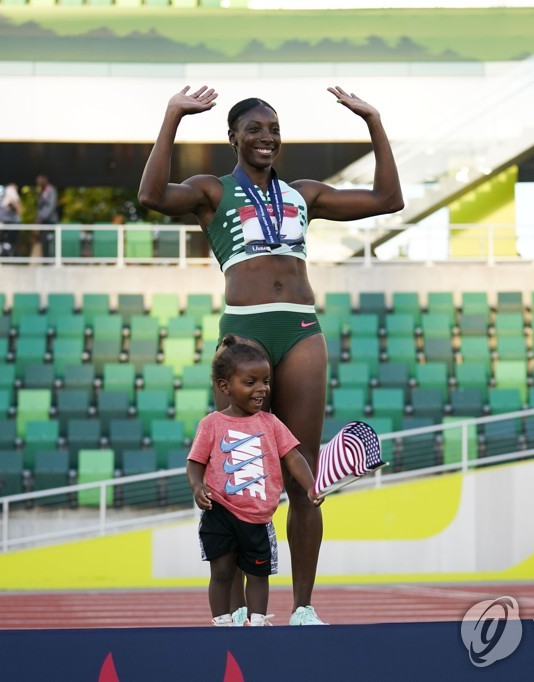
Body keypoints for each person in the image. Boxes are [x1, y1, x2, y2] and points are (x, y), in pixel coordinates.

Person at [139, 85, 403, 625]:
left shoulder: (304, 193)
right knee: (237, 479)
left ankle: (303, 607)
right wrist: (172, 116)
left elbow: (387, 200)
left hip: (301, 329)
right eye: (254, 129)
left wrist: (374, 122)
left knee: (304, 476)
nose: (266, 138)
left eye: (274, 129)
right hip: (244, 336)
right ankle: (236, 611)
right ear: (232, 137)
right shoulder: (212, 190)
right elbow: (151, 196)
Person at [186, 336, 322, 627]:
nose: (262, 390)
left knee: (259, 575)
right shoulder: (211, 424)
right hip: (220, 512)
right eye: (251, 382)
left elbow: (295, 457)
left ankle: (257, 624)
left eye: (266, 382)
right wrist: (198, 487)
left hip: (258, 518)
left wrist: (311, 485)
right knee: (221, 571)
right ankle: (222, 623)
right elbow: (195, 462)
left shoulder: (271, 424)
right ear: (226, 387)